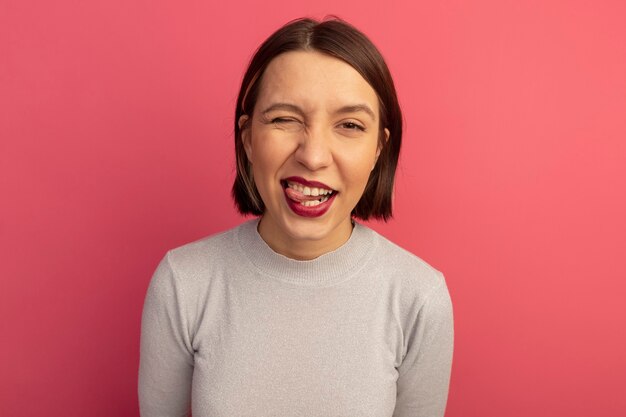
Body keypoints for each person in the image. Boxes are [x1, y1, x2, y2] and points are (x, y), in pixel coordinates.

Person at [138, 17, 453, 417]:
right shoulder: (184, 283)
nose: (314, 155)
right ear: (248, 137)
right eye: (284, 119)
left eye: (350, 125)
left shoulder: (420, 298)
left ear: (378, 149)